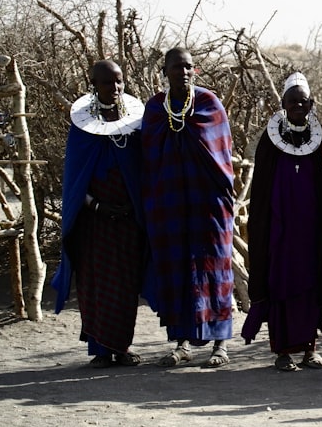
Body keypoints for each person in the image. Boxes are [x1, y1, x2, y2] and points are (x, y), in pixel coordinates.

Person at [142, 48, 236, 368]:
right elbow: (149, 161)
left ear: (194, 71)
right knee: (178, 270)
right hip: (171, 205)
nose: (183, 72)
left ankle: (220, 344)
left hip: (208, 206)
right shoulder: (155, 109)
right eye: (176, 67)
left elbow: (221, 157)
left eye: (188, 67)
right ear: (164, 71)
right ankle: (182, 342)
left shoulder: (209, 104)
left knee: (215, 270)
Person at [52, 60, 146, 368]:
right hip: (94, 221)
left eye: (119, 82)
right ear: (94, 86)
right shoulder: (82, 129)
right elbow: (75, 181)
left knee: (126, 284)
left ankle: (122, 347)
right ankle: (100, 350)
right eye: (108, 83)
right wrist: (96, 205)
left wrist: (134, 203)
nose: (115, 88)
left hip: (129, 219)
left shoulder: (134, 125)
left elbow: (141, 170)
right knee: (96, 283)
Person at [242, 72, 322, 371]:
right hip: (279, 231)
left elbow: (320, 182)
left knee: (309, 287)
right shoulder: (270, 139)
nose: (297, 106)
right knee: (280, 285)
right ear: (282, 103)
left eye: (303, 102)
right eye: (292, 101)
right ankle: (282, 352)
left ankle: (309, 350)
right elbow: (263, 189)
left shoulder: (316, 139)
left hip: (308, 229)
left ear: (311, 104)